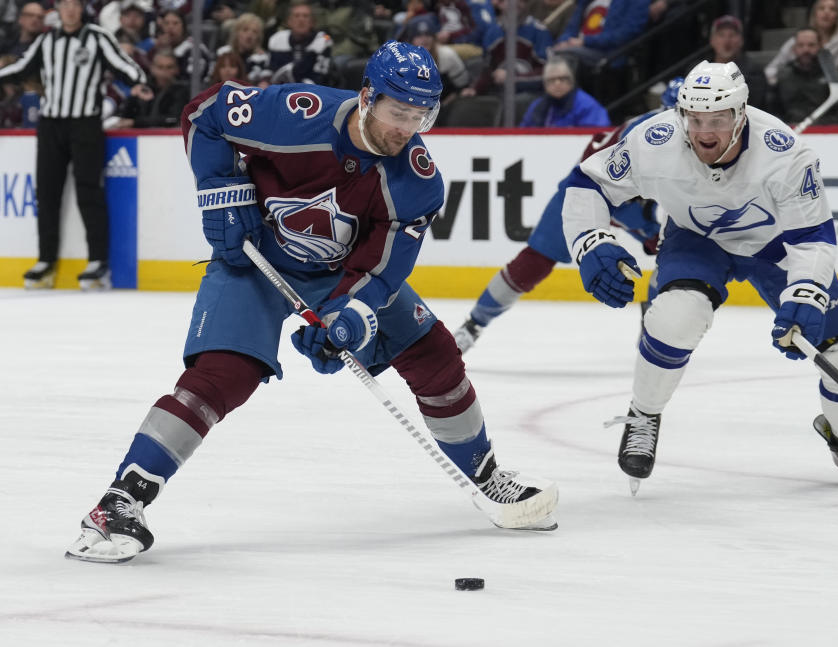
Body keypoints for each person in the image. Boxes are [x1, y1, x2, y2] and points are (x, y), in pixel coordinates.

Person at [64, 40, 559, 564]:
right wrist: (220, 187)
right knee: (223, 374)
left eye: (421, 116)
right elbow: (203, 112)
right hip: (252, 259)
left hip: (336, 273)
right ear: (367, 96)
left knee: (432, 351)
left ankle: (486, 476)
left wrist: (351, 317)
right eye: (398, 113)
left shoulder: (417, 180)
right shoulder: (295, 113)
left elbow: (381, 268)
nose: (407, 129)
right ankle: (120, 501)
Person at [559, 60, 838, 491]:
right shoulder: (656, 138)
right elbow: (588, 183)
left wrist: (806, 294)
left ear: (740, 114)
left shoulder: (784, 151)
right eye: (695, 119)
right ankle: (643, 414)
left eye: (716, 119)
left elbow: (812, 236)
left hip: (773, 246)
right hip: (696, 238)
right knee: (678, 315)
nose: (704, 132)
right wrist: (588, 241)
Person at [453, 78, 683, 353]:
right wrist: (647, 223)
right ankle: (473, 325)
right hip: (588, 192)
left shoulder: (700, 137)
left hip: (636, 201)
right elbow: (600, 188)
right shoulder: (643, 134)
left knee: (675, 250)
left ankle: (653, 332)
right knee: (534, 262)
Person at [0, 0, 147, 290]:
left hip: (85, 123)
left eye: (74, 5)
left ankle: (97, 261)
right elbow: (21, 68)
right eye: (64, 4)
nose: (69, 10)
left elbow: (123, 65)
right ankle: (45, 260)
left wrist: (138, 82)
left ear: (81, 9)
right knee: (47, 192)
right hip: (51, 123)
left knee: (89, 190)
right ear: (57, 10)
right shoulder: (46, 40)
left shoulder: (96, 36)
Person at [769, 27, 838, 126]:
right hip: (790, 134)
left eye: (811, 45)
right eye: (801, 45)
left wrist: (816, 125)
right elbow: (773, 114)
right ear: (794, 49)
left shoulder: (834, 77)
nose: (806, 50)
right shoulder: (783, 77)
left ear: (820, 47)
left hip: (826, 134)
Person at [765, 0, 838, 87]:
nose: (826, 12)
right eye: (821, 8)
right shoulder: (798, 40)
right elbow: (771, 69)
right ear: (814, 14)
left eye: (832, 9)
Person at [518, 55, 610, 127]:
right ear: (545, 84)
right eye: (551, 80)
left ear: (572, 81)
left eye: (562, 79)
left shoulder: (587, 106)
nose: (557, 84)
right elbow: (524, 135)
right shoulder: (537, 106)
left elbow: (598, 138)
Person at [109, 48, 190, 129]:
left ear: (177, 69)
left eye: (169, 67)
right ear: (152, 68)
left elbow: (173, 119)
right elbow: (124, 114)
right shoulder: (142, 88)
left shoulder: (183, 90)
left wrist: (135, 122)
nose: (164, 72)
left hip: (168, 138)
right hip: (137, 136)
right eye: (160, 67)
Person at [267, 0, 336, 85]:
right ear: (289, 21)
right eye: (296, 16)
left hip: (314, 91)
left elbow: (320, 77)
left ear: (312, 22)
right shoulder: (277, 39)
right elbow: (271, 70)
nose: (301, 20)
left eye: (305, 16)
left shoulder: (322, 40)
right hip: (282, 90)